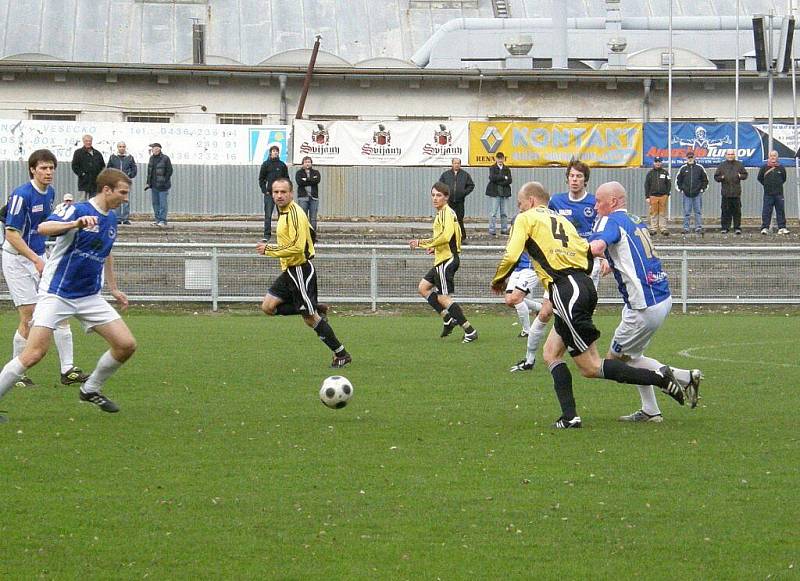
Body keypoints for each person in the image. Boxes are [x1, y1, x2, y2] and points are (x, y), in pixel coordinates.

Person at [491, 181, 686, 429]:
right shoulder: (561, 220)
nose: (519, 209)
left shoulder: (526, 218)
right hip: (581, 285)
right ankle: (570, 416)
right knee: (551, 353)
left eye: (519, 204)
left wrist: (499, 279)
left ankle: (659, 377)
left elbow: (511, 253)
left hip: (567, 290)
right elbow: (584, 254)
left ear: (530, 202)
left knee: (591, 367)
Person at [0, 168, 137, 422]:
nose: (126, 197)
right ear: (106, 190)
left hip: (89, 297)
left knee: (126, 345)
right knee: (33, 354)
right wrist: (74, 224)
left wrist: (114, 287)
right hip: (57, 294)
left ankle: (90, 389)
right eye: (123, 192)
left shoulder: (111, 219)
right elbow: (43, 227)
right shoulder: (78, 210)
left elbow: (106, 253)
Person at [589, 181, 702, 422]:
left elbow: (597, 246)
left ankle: (681, 377)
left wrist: (570, 253)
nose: (596, 206)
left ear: (614, 201)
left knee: (614, 362)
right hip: (661, 297)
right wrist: (612, 261)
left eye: (599, 201)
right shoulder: (634, 219)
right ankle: (651, 410)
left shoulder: (610, 220)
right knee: (633, 357)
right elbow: (627, 251)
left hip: (643, 306)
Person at [2, 149, 89, 390]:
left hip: (39, 257)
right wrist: (35, 259)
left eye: (51, 167)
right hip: (17, 259)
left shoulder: (49, 192)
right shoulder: (22, 194)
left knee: (58, 307)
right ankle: (16, 372)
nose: (48, 172)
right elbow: (11, 235)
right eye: (43, 168)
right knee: (29, 316)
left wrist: (65, 218)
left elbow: (44, 225)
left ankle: (68, 369)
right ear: (32, 169)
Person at [255, 178, 351, 368]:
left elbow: (298, 248)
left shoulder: (294, 213)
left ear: (291, 194)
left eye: (283, 192)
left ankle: (341, 354)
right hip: (290, 270)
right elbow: (311, 232)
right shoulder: (283, 213)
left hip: (299, 268)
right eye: (276, 192)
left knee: (309, 318)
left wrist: (269, 250)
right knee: (268, 307)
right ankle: (313, 306)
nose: (279, 195)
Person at [409, 182, 478, 343]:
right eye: (433, 195)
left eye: (439, 195)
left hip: (446, 261)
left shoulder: (447, 212)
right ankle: (447, 318)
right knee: (423, 288)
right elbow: (457, 234)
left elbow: (447, 237)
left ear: (446, 197)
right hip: (443, 257)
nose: (435, 198)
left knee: (443, 297)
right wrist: (436, 248)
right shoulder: (443, 213)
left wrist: (422, 243)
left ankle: (469, 330)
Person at [258, 145, 289, 241]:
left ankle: (282, 234)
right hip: (270, 194)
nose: (275, 152)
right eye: (273, 151)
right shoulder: (266, 164)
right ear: (270, 153)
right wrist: (265, 191)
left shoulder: (282, 165)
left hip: (280, 195)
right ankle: (267, 235)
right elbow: (261, 179)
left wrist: (285, 191)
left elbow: (286, 179)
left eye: (277, 151)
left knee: (282, 215)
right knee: (268, 215)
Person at [439, 158, 475, 240]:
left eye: (458, 163)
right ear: (452, 164)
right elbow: (440, 185)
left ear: (460, 164)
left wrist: (464, 193)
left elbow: (471, 185)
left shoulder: (465, 175)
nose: (456, 165)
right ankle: (447, 237)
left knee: (459, 219)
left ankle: (462, 238)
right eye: (455, 163)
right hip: (449, 201)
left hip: (460, 201)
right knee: (448, 220)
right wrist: (445, 195)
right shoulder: (446, 174)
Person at [714, 149, 748, 235]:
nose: (730, 156)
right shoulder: (722, 165)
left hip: (736, 193)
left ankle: (737, 228)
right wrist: (721, 177)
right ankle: (725, 228)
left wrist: (741, 176)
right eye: (729, 154)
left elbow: (745, 174)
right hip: (726, 193)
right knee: (725, 211)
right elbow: (716, 177)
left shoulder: (739, 164)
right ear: (726, 155)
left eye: (732, 154)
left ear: (734, 155)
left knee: (737, 212)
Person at [757, 150, 789, 235]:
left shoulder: (781, 168)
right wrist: (767, 185)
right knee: (766, 211)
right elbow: (760, 178)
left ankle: (782, 227)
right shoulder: (764, 167)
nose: (773, 157)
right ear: (769, 157)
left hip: (779, 194)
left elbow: (784, 178)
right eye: (771, 156)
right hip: (768, 194)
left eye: (774, 155)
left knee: (780, 211)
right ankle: (765, 228)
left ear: (777, 157)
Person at [676, 150, 708, 234]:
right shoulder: (683, 169)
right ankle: (686, 228)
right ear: (686, 158)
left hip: (697, 194)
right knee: (687, 212)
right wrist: (680, 189)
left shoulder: (700, 168)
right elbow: (678, 180)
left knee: (698, 212)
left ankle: (698, 228)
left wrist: (702, 189)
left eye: (691, 157)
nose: (690, 159)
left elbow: (705, 180)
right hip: (686, 194)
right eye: (689, 157)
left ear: (694, 157)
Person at [106, 141, 137, 225]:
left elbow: (134, 169)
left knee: (126, 200)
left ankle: (125, 218)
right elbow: (109, 169)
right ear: (117, 148)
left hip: (125, 183)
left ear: (125, 147)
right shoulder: (113, 157)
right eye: (120, 146)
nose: (122, 148)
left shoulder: (130, 157)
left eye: (123, 146)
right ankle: (118, 218)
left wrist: (129, 175)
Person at [145, 143, 173, 227]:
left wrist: (164, 181)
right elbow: (149, 172)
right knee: (155, 203)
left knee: (163, 204)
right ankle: (157, 220)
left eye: (153, 148)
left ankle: (162, 220)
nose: (152, 149)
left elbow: (169, 171)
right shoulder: (151, 158)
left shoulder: (165, 158)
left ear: (158, 149)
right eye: (152, 148)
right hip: (153, 185)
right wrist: (148, 182)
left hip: (163, 186)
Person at [485, 152, 512, 236]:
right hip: (495, 193)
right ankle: (492, 229)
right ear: (496, 159)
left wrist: (500, 181)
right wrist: (503, 177)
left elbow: (510, 180)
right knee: (493, 213)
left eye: (501, 158)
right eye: (498, 158)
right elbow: (492, 178)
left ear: (504, 159)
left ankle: (504, 229)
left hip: (504, 193)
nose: (500, 160)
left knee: (504, 213)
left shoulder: (507, 169)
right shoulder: (492, 168)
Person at [71, 134, 105, 199]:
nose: (88, 142)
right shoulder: (78, 153)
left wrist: (99, 177)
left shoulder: (97, 153)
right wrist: (82, 174)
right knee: (82, 201)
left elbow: (102, 166)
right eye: (86, 141)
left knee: (94, 202)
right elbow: (74, 166)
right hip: (84, 182)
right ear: (83, 141)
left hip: (95, 183)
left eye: (90, 141)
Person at [644, 156, 671, 236]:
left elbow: (669, 184)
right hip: (653, 196)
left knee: (662, 213)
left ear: (661, 163)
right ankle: (654, 228)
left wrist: (667, 194)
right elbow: (646, 185)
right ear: (654, 163)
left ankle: (663, 228)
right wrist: (647, 196)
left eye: (659, 162)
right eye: (656, 162)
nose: (658, 163)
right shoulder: (650, 173)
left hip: (663, 196)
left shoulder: (665, 172)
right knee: (653, 213)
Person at [295, 156, 321, 232]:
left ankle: (313, 235)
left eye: (309, 162)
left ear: (311, 163)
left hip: (314, 198)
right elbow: (299, 182)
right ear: (302, 164)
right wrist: (311, 180)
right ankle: (303, 235)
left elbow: (317, 180)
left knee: (313, 218)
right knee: (303, 217)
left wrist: (306, 179)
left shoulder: (316, 172)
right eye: (306, 162)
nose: (307, 164)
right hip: (303, 198)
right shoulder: (299, 173)